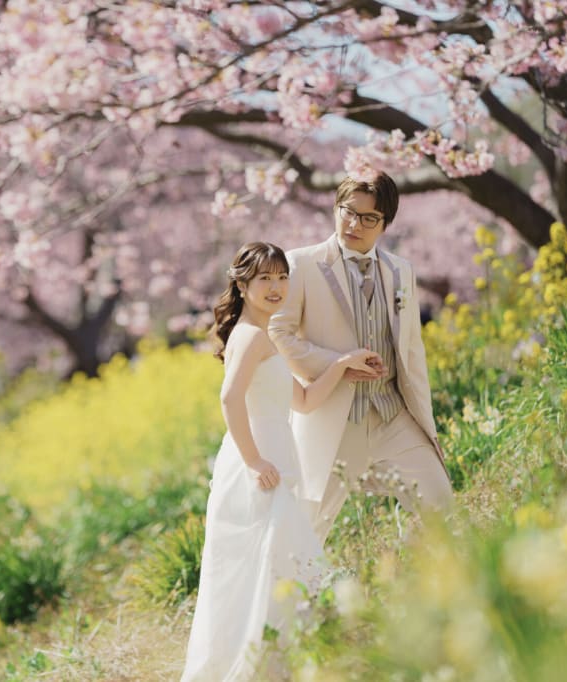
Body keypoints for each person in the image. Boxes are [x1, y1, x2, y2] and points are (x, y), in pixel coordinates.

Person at [181, 242, 379, 682]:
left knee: (270, 569)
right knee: (279, 563)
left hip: (269, 465)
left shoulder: (262, 335)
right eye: (264, 279)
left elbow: (305, 401)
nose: (276, 287)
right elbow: (229, 398)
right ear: (243, 284)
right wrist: (253, 461)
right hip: (256, 469)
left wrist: (342, 366)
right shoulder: (250, 336)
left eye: (282, 277)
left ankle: (280, 665)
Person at [269, 171, 453, 547]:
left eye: (369, 218)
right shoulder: (301, 264)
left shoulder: (402, 271)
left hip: (393, 415)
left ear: (385, 223)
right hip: (334, 418)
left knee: (442, 506)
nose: (354, 224)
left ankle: (429, 595)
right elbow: (278, 333)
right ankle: (293, 604)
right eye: (348, 211)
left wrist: (425, 423)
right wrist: (338, 364)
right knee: (306, 530)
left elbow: (412, 354)